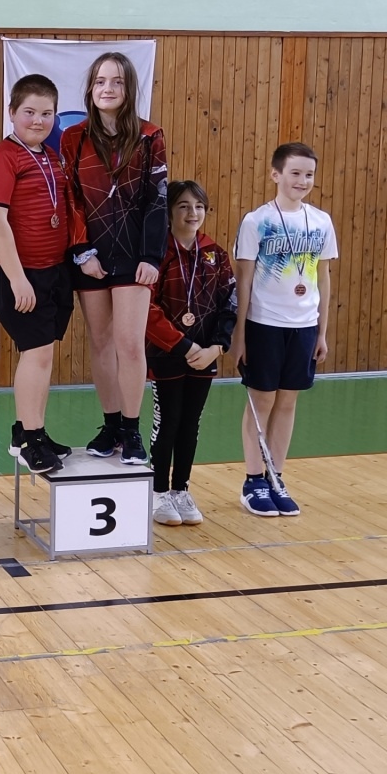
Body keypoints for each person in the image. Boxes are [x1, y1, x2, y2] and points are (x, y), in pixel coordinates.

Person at [62, 51, 169, 466]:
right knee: (102, 342)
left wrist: (151, 257)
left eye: (117, 82)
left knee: (129, 342)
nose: (108, 88)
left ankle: (131, 427)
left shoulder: (149, 136)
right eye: (101, 81)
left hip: (134, 257)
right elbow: (71, 198)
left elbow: (157, 199)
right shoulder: (73, 137)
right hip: (91, 255)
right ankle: (110, 425)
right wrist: (81, 251)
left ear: (129, 89)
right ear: (91, 88)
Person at [228, 142, 338, 516]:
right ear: (276, 174)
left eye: (309, 174)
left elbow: (323, 277)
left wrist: (321, 331)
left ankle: (275, 476)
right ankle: (253, 481)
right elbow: (243, 280)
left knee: (288, 401)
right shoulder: (256, 221)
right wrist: (240, 334)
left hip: (304, 326)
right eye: (295, 173)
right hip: (263, 324)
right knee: (261, 401)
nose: (302, 181)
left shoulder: (321, 221)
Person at [0, 74, 78, 474]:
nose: (38, 121)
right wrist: (18, 278)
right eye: (29, 112)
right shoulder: (2, 158)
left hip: (54, 273)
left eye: (46, 113)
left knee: (43, 355)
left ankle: (30, 430)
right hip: (17, 276)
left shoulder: (51, 156)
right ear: (11, 113)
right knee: (35, 354)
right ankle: (28, 441)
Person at [143, 180, 237, 525]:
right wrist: (184, 345)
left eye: (198, 206)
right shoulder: (157, 254)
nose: (192, 213)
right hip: (167, 354)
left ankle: (180, 489)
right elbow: (146, 309)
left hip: (205, 355)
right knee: (167, 422)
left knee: (190, 424)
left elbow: (230, 304)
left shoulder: (215, 254)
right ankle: (158, 492)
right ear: (169, 212)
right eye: (183, 206)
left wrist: (217, 346)